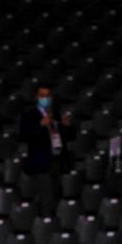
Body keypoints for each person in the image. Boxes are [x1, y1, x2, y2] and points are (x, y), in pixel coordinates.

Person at [19, 82, 76, 217]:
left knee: (57, 195)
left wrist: (68, 126)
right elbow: (24, 136)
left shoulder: (56, 114)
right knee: (46, 198)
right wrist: (40, 124)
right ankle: (46, 225)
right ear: (36, 97)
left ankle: (53, 223)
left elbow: (70, 136)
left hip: (58, 160)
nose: (45, 98)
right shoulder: (29, 115)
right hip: (42, 162)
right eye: (42, 95)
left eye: (47, 95)